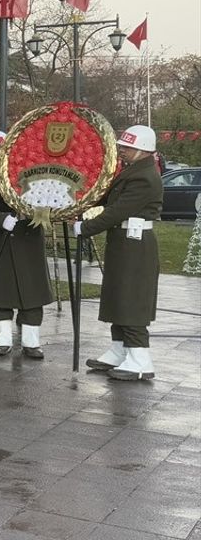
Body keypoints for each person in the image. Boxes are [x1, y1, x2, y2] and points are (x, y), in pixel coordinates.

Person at [78, 125, 163, 381]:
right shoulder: (132, 171)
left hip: (135, 245)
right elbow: (107, 199)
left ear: (143, 150)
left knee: (132, 298)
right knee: (118, 295)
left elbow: (118, 210)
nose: (122, 150)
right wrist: (80, 203)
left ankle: (139, 359)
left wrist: (85, 227)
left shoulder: (144, 177)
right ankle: (119, 350)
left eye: (128, 147)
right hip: (123, 241)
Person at [0, 131, 52, 358]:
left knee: (32, 293)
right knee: (1, 293)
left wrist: (37, 211)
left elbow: (45, 192)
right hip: (1, 238)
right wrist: (1, 219)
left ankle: (31, 341)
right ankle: (3, 339)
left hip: (28, 237)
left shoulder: (29, 167)